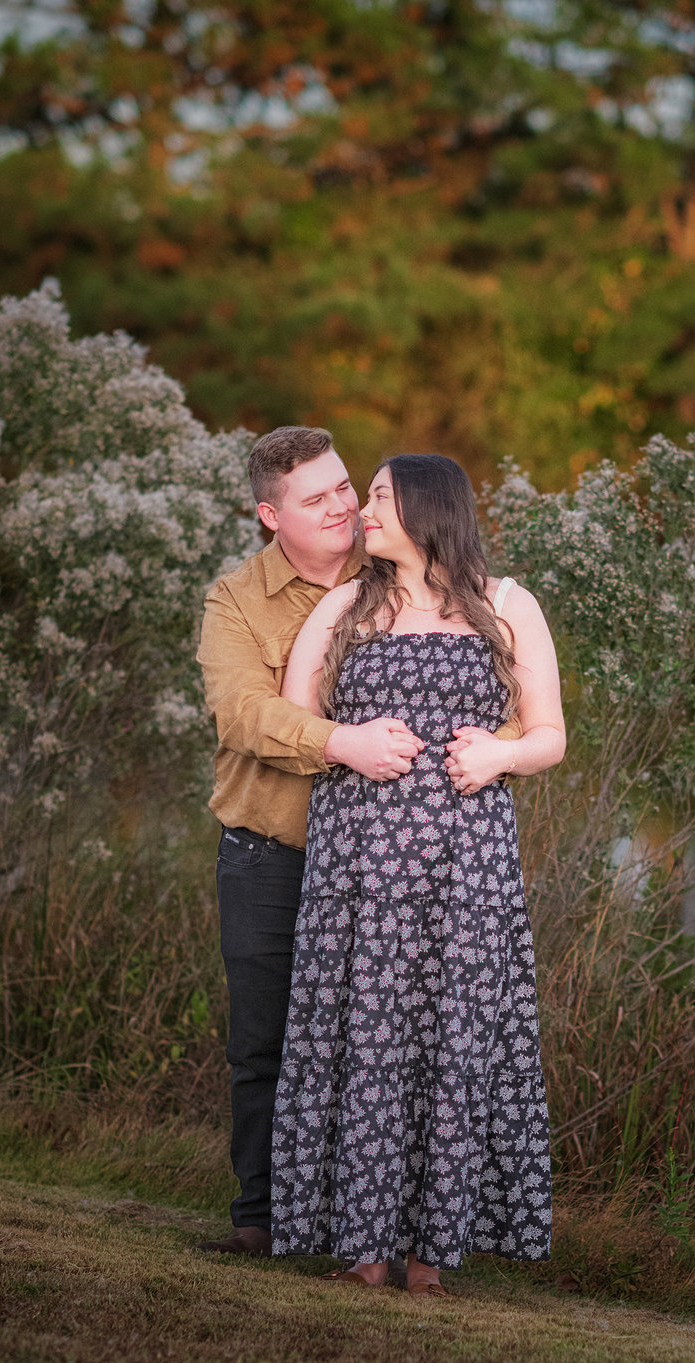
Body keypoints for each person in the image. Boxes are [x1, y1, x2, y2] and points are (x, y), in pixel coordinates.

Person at [196, 426, 520, 1256]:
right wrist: (340, 742)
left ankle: (373, 1222)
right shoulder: (237, 601)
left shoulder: (406, 570)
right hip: (273, 848)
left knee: (393, 1036)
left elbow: (496, 691)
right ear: (271, 516)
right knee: (269, 1041)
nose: (344, 506)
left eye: (348, 487)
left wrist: (497, 751)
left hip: (396, 864)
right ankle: (262, 1219)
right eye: (318, 498)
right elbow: (239, 714)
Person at [270, 454, 564, 1293]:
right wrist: (353, 745)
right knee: (362, 1036)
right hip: (359, 863)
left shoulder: (508, 605)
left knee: (455, 1040)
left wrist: (502, 752)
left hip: (465, 865)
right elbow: (298, 720)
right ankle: (364, 1257)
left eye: (379, 497)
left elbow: (550, 732)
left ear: (428, 510)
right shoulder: (343, 608)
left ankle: (432, 1261)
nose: (363, 510)